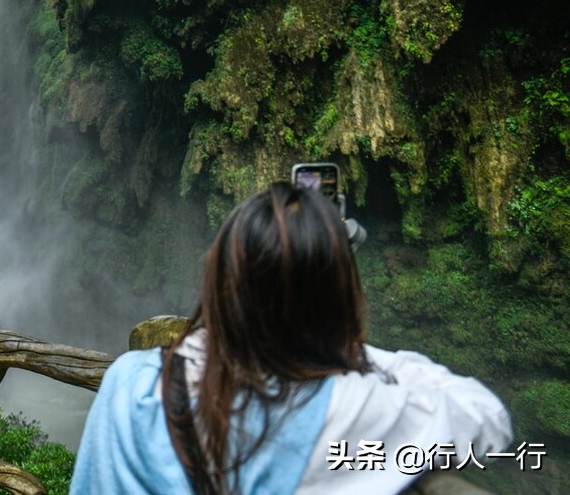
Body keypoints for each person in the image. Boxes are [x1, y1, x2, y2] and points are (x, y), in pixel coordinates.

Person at [70, 182, 513, 494]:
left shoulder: (133, 384)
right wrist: (342, 342)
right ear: (338, 298)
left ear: (220, 279)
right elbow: (489, 420)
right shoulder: (355, 411)